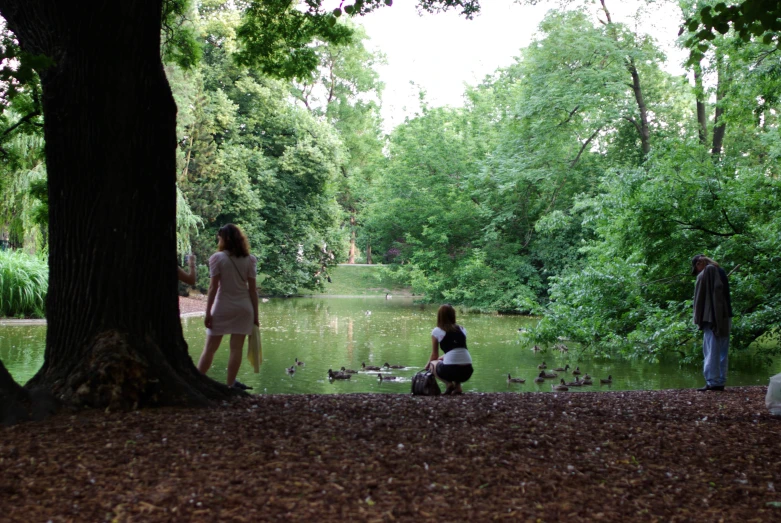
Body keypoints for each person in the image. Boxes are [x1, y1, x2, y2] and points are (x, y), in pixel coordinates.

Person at [197, 224, 259, 389]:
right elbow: (253, 290)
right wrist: (256, 316)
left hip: (222, 307)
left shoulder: (217, 258)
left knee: (210, 348)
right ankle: (230, 385)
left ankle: (197, 381)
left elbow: (213, 288)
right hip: (244, 309)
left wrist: (208, 312)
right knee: (236, 349)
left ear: (223, 239)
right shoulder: (250, 259)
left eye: (220, 238)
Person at [691, 254, 733, 391]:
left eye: (697, 268)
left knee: (711, 349)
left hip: (712, 317)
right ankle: (719, 381)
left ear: (699, 263)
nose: (698, 272)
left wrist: (704, 316)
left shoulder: (708, 272)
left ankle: (712, 382)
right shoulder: (720, 271)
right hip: (725, 316)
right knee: (722, 350)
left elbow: (707, 298)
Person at [427, 304, 473, 395]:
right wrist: (443, 357)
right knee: (455, 361)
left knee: (433, 364)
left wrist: (427, 366)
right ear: (453, 315)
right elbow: (457, 350)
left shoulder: (437, 331)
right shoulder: (462, 329)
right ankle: (458, 387)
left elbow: (434, 356)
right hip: (467, 371)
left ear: (440, 316)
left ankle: (449, 384)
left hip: (450, 371)